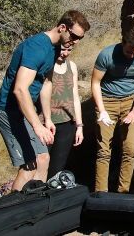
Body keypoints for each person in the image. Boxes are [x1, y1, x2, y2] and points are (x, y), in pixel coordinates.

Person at [0, 11, 90, 192]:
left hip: (23, 111)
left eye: (80, 39)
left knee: (44, 159)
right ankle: (15, 208)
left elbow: (46, 83)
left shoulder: (53, 49)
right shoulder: (37, 47)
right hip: (8, 111)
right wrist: (37, 126)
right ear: (62, 28)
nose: (75, 42)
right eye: (74, 36)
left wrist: (48, 118)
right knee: (30, 164)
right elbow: (20, 90)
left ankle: (36, 205)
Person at [91, 28, 134, 193]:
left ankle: (123, 191)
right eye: (128, 51)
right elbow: (95, 82)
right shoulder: (107, 55)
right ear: (122, 43)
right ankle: (100, 193)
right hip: (107, 101)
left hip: (129, 103)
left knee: (130, 150)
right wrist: (101, 110)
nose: (131, 56)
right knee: (104, 151)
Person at [44, 45, 84, 178]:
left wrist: (79, 126)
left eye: (69, 50)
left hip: (67, 123)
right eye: (62, 49)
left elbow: (75, 97)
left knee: (57, 168)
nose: (65, 53)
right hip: (46, 124)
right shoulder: (45, 65)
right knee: (40, 165)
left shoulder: (71, 66)